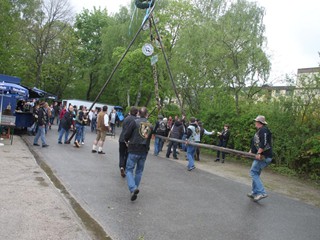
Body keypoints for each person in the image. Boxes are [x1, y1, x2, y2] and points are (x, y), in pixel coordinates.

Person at [124, 107, 153, 201]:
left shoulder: (135, 122)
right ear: (147, 114)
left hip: (133, 148)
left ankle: (133, 188)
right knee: (139, 171)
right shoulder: (150, 125)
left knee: (129, 170)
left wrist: (126, 140)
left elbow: (127, 134)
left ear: (138, 113)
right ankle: (134, 188)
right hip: (144, 150)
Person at [247, 115, 273, 202]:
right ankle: (255, 192)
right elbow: (255, 143)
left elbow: (264, 143)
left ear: (259, 123)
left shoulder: (264, 130)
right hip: (259, 156)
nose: (255, 122)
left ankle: (262, 192)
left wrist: (259, 152)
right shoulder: (259, 131)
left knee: (253, 172)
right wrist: (251, 150)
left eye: (256, 121)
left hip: (264, 156)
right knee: (256, 173)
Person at [118, 107, 138, 178]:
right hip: (130, 140)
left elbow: (123, 127)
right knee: (127, 154)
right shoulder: (136, 120)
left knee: (121, 153)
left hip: (122, 138)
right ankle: (124, 167)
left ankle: (121, 166)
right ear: (136, 113)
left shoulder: (126, 118)